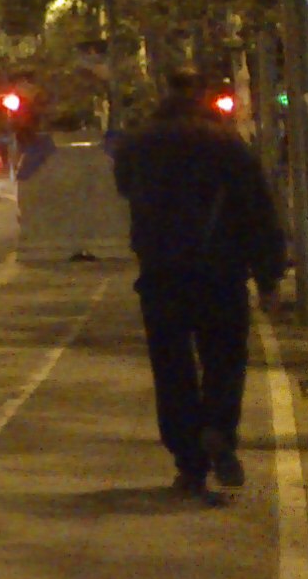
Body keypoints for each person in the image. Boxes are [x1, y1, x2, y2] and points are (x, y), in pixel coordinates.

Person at [112, 71, 287, 492]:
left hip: (161, 274)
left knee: (171, 366)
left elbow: (124, 190)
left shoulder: (139, 144)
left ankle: (188, 459)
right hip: (220, 273)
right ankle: (219, 431)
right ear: (205, 97)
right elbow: (258, 211)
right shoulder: (228, 145)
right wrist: (268, 276)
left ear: (165, 94)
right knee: (225, 360)